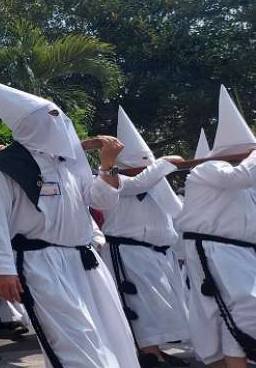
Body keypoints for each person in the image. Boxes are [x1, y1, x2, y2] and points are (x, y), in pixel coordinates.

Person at [0, 68, 140, 368]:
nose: (61, 123)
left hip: (85, 263)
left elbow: (100, 200)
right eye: (53, 116)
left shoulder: (68, 164)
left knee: (109, 337)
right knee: (74, 344)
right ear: (31, 126)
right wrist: (1, 270)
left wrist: (107, 167)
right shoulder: (1, 169)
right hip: (42, 264)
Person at [100, 106, 190, 366]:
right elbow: (136, 184)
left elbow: (177, 210)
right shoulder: (113, 180)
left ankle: (155, 351)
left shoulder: (155, 180)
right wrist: (162, 164)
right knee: (139, 307)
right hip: (128, 253)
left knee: (160, 307)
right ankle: (148, 353)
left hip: (158, 253)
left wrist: (159, 172)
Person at [175, 86, 256, 368]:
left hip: (240, 253)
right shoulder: (209, 169)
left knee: (233, 312)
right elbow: (239, 177)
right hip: (214, 249)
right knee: (241, 308)